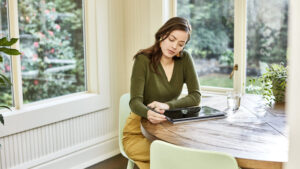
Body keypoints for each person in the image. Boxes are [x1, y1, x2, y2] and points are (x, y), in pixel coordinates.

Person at [122, 17, 201, 169]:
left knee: (181, 156)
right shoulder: (143, 60)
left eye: (180, 44)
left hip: (168, 129)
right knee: (169, 159)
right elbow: (134, 102)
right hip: (138, 131)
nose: (174, 46)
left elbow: (195, 96)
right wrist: (148, 113)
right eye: (172, 39)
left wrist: (167, 105)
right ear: (162, 34)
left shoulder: (185, 60)